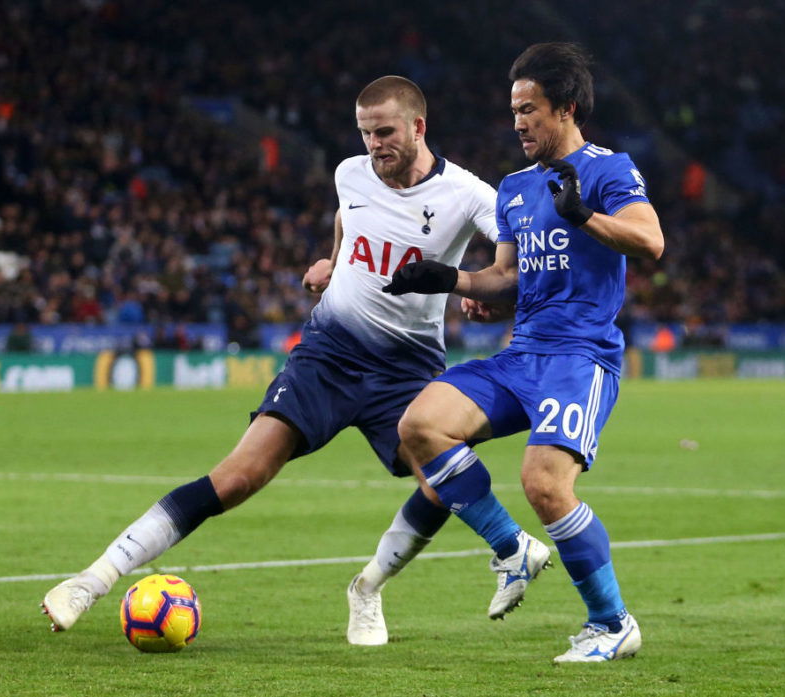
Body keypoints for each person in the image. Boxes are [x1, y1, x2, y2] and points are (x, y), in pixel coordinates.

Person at [41, 76, 550, 645]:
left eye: (385, 132)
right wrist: (334, 262)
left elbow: (514, 269)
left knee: (442, 483)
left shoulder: (470, 194)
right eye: (365, 133)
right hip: (329, 354)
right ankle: (91, 580)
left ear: (418, 127)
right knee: (238, 476)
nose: (374, 145)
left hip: (407, 368)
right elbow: (347, 216)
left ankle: (368, 588)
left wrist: (478, 290)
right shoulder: (350, 172)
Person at [380, 43, 664, 662]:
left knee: (544, 483)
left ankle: (612, 624)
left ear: (566, 108)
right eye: (513, 111)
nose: (517, 123)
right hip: (521, 353)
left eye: (528, 109)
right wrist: (450, 279)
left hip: (579, 356)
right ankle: (511, 548)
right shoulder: (514, 188)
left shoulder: (608, 170)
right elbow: (508, 279)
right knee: (420, 426)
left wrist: (584, 215)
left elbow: (650, 240)